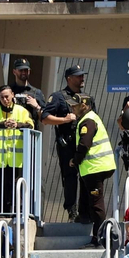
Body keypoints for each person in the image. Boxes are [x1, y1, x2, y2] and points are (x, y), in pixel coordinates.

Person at [45, 64, 89, 221]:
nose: (82, 78)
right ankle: (72, 210)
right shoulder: (58, 97)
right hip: (67, 145)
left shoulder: (87, 98)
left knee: (86, 177)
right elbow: (45, 118)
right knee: (69, 178)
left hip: (84, 144)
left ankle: (85, 210)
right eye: (78, 76)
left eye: (82, 75)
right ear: (69, 79)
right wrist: (64, 120)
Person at [72, 93, 117, 247]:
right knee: (90, 201)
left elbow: (84, 144)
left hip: (95, 167)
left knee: (97, 204)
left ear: (84, 105)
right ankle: (85, 219)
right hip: (95, 167)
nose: (72, 107)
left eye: (75, 105)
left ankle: (99, 239)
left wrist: (75, 160)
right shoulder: (89, 118)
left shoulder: (88, 120)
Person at [0, 84, 33, 215]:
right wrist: (3, 124)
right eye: (1, 97)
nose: (5, 99)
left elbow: (30, 125)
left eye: (7, 96)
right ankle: (3, 213)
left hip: (16, 158)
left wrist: (18, 125)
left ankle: (16, 213)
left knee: (15, 187)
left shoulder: (21, 111)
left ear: (12, 96)